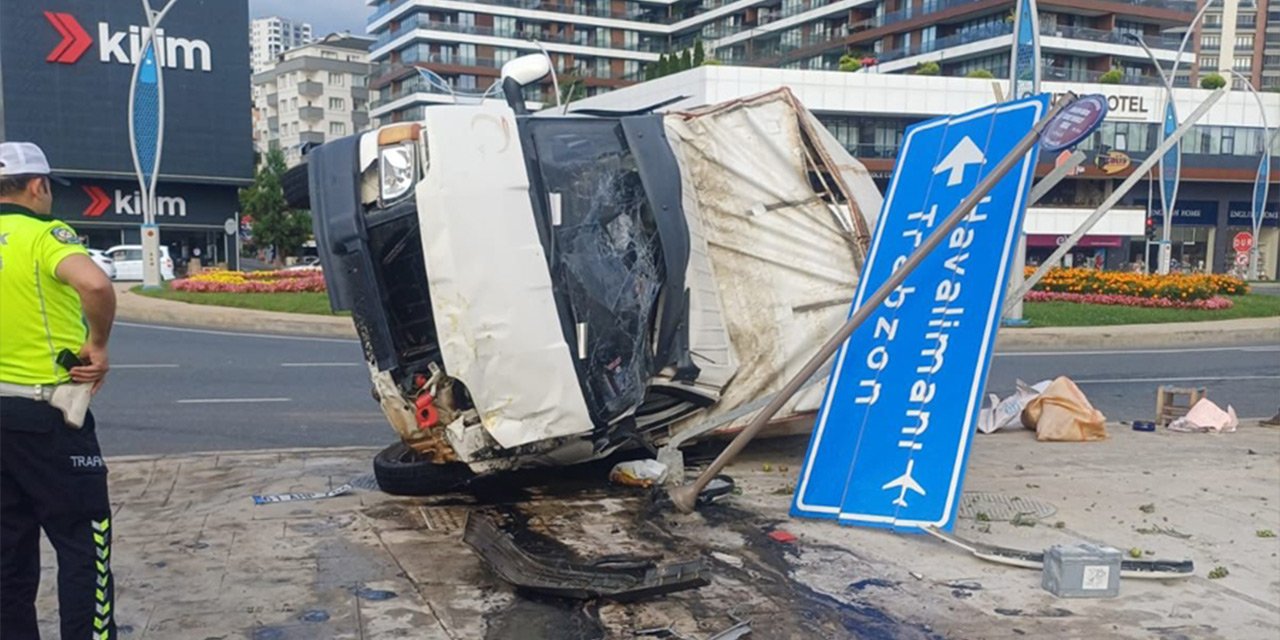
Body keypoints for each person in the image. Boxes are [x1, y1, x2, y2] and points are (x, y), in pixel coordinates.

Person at [0, 142, 117, 638]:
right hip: (47, 417)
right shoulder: (44, 234)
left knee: (7, 557)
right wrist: (98, 344)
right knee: (83, 546)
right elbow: (94, 285)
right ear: (37, 185)